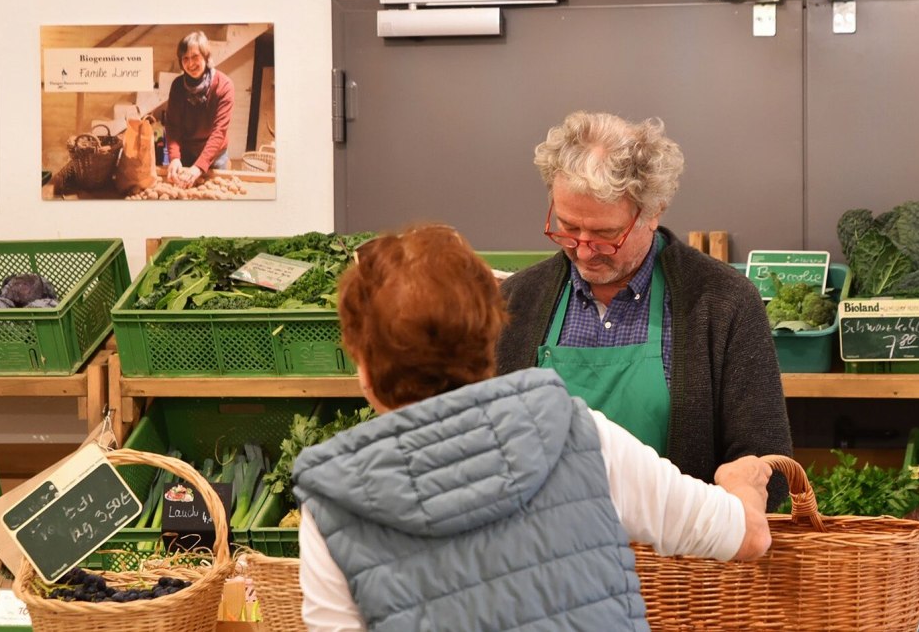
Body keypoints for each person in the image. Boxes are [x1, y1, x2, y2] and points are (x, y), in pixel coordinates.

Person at [293, 225, 773, 631]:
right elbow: (748, 536)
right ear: (490, 341)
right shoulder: (581, 434)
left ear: (364, 366)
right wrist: (742, 484)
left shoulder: (331, 501)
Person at [496, 110, 793, 509]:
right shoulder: (516, 302)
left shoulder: (722, 302)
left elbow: (766, 466)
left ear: (654, 212)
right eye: (567, 227)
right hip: (543, 560)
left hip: (680, 565)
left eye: (606, 235)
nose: (583, 250)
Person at [165, 31, 234, 189]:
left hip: (216, 154)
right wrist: (175, 157)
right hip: (187, 151)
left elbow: (219, 131)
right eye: (185, 59)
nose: (190, 64)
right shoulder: (177, 86)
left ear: (206, 56)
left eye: (195, 56)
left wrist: (199, 167)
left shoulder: (224, 85)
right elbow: (173, 126)